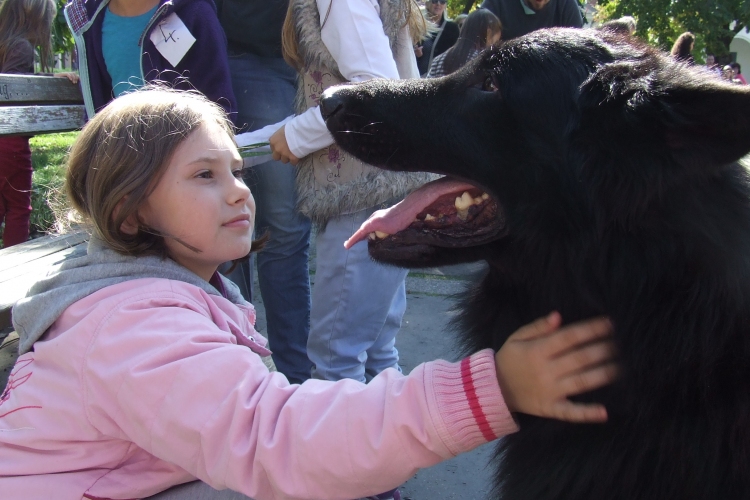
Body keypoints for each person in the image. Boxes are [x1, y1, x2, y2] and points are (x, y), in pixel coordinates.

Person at [0, 88, 619, 500]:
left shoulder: (156, 299)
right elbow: (276, 440)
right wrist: (491, 389)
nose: (240, 192)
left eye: (236, 171)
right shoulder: (133, 327)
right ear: (130, 215)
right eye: (204, 176)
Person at [270, 0, 438, 404]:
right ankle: (391, 451)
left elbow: (372, 90)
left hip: (359, 188)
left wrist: (296, 136)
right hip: (386, 181)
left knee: (337, 356)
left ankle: (338, 465)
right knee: (378, 347)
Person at [215, 0, 314, 385]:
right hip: (246, 54)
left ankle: (289, 376)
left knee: (283, 233)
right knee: (265, 229)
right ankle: (244, 367)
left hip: (302, 61)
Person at [63, 0, 236, 122]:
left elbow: (219, 105)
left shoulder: (193, 12)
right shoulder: (89, 22)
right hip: (124, 160)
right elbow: (98, 105)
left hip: (183, 158)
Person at [0, 0, 78, 248]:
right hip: (10, 143)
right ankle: (12, 265)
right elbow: (13, 92)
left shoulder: (5, 44)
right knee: (18, 207)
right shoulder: (22, 48)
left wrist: (45, 78)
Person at [428, 8, 501, 78]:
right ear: (488, 32)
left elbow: (428, 89)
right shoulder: (485, 63)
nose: (495, 45)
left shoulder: (438, 61)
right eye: (496, 41)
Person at [480, 0, 582, 41]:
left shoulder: (567, 7)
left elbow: (579, 57)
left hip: (552, 81)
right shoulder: (496, 3)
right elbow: (476, 50)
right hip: (503, 80)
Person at [416, 0, 460, 76]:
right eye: (434, 1)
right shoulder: (418, 25)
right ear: (427, 4)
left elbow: (456, 55)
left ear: (445, 5)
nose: (438, 4)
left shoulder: (452, 28)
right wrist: (416, 55)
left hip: (440, 78)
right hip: (417, 76)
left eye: (442, 1)